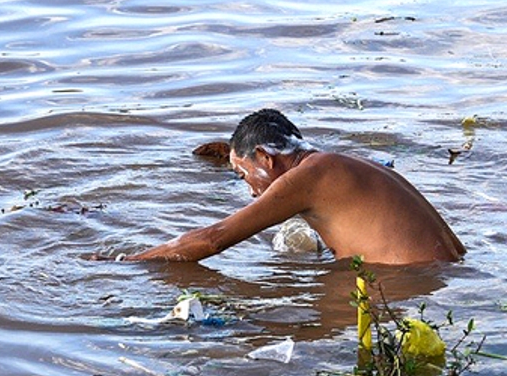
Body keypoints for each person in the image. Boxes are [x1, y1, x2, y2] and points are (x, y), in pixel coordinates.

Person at [122, 109, 465, 265]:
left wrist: (127, 261)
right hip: (442, 273)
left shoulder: (307, 178)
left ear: (265, 157)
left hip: (410, 283)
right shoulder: (335, 164)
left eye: (245, 177)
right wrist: (231, 159)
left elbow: (214, 240)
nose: (252, 192)